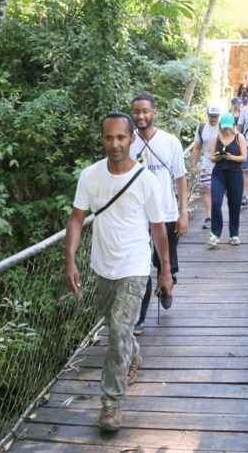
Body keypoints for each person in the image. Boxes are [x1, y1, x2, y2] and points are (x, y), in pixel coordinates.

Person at [65, 112, 173, 432]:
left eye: (121, 137)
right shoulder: (90, 176)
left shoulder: (146, 181)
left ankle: (111, 404)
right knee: (116, 328)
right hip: (102, 265)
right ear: (102, 139)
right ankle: (133, 352)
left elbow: (158, 230)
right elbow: (75, 218)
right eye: (109, 137)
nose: (115, 144)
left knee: (116, 333)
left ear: (132, 139)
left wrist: (165, 271)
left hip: (135, 266)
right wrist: (70, 259)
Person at [130, 92, 188, 335]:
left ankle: (168, 285)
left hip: (165, 213)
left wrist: (184, 212)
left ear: (154, 112)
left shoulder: (170, 142)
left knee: (165, 263)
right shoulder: (127, 141)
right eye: (137, 112)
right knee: (141, 266)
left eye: (145, 111)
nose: (141, 116)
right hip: (137, 216)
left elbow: (181, 178)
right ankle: (139, 319)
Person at [207, 112, 248, 248]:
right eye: (224, 127)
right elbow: (211, 157)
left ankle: (234, 234)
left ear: (233, 125)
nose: (226, 129)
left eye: (228, 127)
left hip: (235, 173)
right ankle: (215, 234)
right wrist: (219, 157)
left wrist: (231, 157)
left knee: (234, 204)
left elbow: (244, 157)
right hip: (219, 173)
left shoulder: (239, 138)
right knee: (216, 202)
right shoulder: (216, 138)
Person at [191, 105, 220, 230]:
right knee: (206, 188)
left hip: (221, 163)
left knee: (218, 191)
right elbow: (197, 147)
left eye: (215, 116)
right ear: (207, 115)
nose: (213, 118)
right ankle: (209, 217)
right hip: (206, 162)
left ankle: (216, 215)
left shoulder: (223, 127)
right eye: (211, 116)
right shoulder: (202, 128)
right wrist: (194, 165)